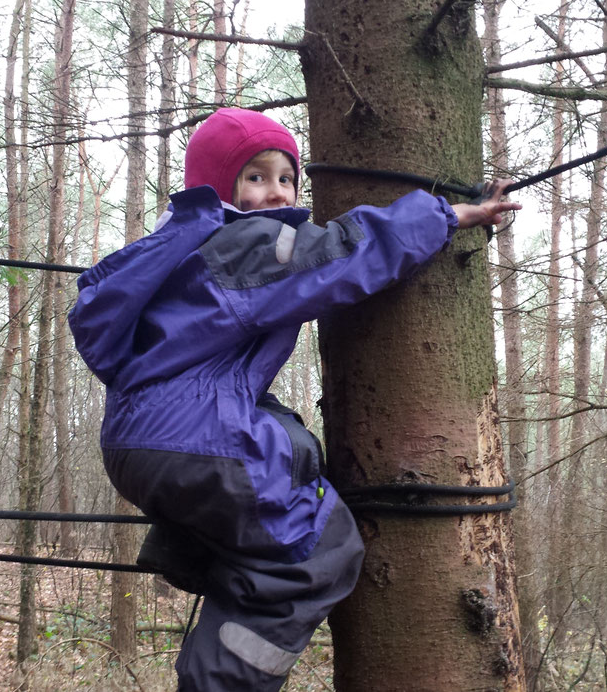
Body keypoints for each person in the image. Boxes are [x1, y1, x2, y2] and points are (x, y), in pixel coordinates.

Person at [68, 107, 520, 691]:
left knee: (280, 446)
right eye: (255, 177)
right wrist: (445, 214)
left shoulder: (174, 254)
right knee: (316, 550)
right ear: (215, 187)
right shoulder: (248, 244)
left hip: (138, 445)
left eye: (286, 178)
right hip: (199, 441)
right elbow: (341, 254)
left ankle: (199, 549)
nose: (276, 193)